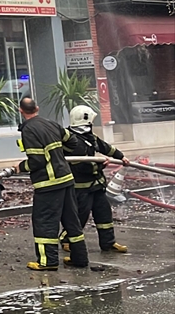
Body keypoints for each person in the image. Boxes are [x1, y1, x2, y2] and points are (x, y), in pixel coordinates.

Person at [16, 96, 88, 271]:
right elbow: (72, 141)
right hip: (66, 179)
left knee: (45, 221)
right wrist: (59, 155)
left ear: (20, 111)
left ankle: (48, 261)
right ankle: (80, 258)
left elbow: (37, 161)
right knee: (72, 220)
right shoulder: (51, 123)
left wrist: (20, 167)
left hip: (48, 183)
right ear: (37, 108)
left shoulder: (29, 130)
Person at [60, 105, 129, 255]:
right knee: (80, 216)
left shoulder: (89, 137)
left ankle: (108, 243)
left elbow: (105, 147)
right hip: (81, 187)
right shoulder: (72, 142)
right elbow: (82, 166)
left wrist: (121, 156)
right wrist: (100, 164)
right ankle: (66, 240)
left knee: (104, 214)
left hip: (96, 185)